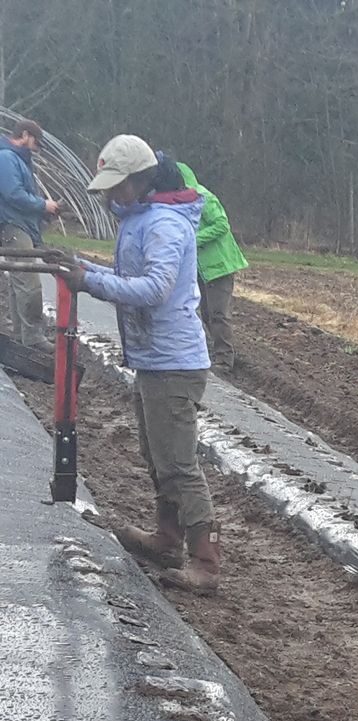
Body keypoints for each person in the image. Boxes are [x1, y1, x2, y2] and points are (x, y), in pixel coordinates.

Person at [64, 135, 221, 594]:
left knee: (178, 463)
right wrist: (81, 267)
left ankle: (206, 562)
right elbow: (131, 279)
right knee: (156, 456)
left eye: (119, 186)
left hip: (175, 361)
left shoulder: (165, 225)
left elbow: (153, 288)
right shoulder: (139, 219)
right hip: (154, 359)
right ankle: (167, 536)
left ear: (142, 179)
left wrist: (90, 283)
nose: (112, 195)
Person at [175, 161, 247, 373]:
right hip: (203, 267)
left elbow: (222, 224)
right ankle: (218, 352)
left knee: (218, 313)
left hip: (220, 265)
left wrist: (193, 239)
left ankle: (225, 359)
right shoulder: (181, 201)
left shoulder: (202, 196)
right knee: (206, 313)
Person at [0, 118, 60, 352]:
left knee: (19, 280)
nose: (38, 148)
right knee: (29, 281)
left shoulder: (18, 161)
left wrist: (42, 210)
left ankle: (20, 335)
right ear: (25, 135)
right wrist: (43, 205)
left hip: (19, 224)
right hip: (13, 225)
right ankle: (33, 337)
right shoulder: (7, 158)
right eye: (37, 142)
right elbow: (13, 194)